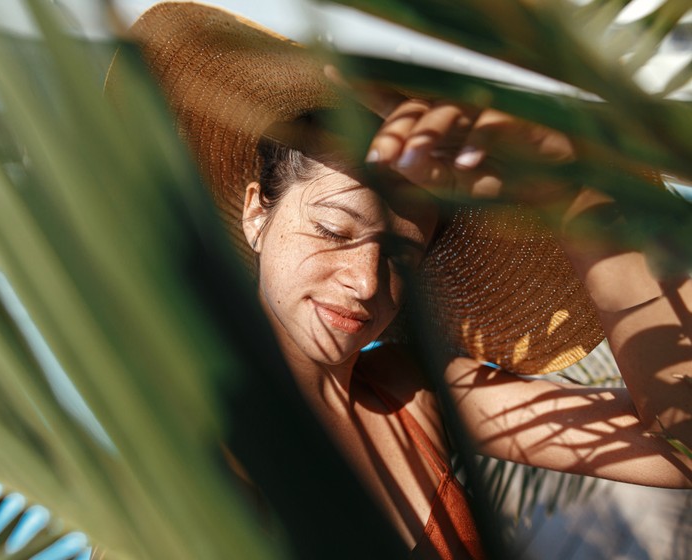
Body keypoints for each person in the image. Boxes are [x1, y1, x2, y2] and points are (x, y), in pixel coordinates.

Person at [106, 2, 692, 557]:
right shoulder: (195, 438)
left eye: (401, 259)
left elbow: (681, 447)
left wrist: (575, 198)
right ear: (258, 213)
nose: (366, 283)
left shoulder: (415, 396)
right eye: (335, 231)